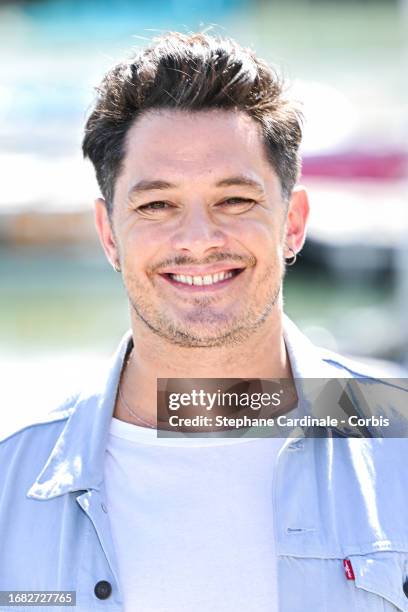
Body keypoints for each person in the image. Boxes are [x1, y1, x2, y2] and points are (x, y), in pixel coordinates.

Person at [1, 32, 407, 612]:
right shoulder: (11, 477)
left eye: (235, 200)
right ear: (109, 234)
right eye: (156, 204)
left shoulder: (400, 434)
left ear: (292, 222)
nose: (198, 240)